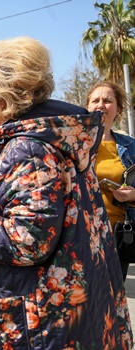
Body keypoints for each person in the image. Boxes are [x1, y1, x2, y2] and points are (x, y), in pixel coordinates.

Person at [0, 37, 132, 349]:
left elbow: (27, 239)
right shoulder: (57, 137)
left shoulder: (27, 148)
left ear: (2, 97)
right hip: (65, 313)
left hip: (38, 323)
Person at [87, 81, 135, 280]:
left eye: (107, 101)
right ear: (87, 107)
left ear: (118, 110)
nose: (100, 105)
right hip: (79, 235)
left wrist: (132, 195)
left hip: (115, 237)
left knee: (111, 303)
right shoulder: (74, 143)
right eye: (95, 100)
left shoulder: (130, 146)